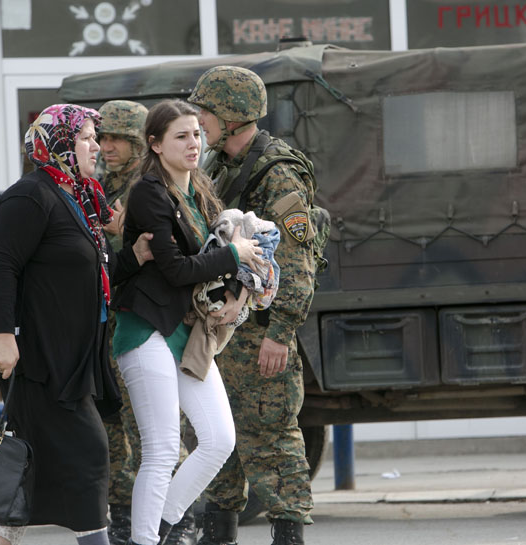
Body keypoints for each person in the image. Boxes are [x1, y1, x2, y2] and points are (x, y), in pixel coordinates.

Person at [0, 103, 154, 545]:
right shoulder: (30, 195)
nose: (96, 146)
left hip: (77, 353)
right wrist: (2, 338)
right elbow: (1, 267)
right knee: (89, 453)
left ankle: (4, 536)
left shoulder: (79, 197)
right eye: (86, 138)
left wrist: (129, 255)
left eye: (95, 138)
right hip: (42, 354)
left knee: (29, 459)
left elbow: (84, 274)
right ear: (58, 143)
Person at [110, 99, 263, 545]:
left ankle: (159, 527)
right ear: (155, 145)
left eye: (197, 133)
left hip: (187, 332)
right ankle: (147, 539)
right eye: (181, 136)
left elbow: (207, 254)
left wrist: (240, 280)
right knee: (160, 451)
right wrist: (234, 254)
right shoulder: (147, 192)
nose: (194, 143)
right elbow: (176, 269)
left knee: (218, 440)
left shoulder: (198, 187)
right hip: (146, 327)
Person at [188, 66, 316, 545]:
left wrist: (279, 333)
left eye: (206, 110)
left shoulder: (276, 173)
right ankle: (219, 531)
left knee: (270, 434)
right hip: (222, 327)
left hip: (260, 329)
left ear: (233, 116)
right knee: (213, 435)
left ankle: (288, 533)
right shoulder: (219, 163)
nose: (200, 119)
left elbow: (299, 262)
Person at [97, 99, 198, 545]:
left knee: (160, 440)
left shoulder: (156, 188)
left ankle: (167, 524)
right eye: (102, 137)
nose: (107, 146)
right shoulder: (93, 190)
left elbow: (173, 262)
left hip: (154, 320)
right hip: (109, 322)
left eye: (118, 137)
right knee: (117, 432)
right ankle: (128, 519)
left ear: (143, 143)